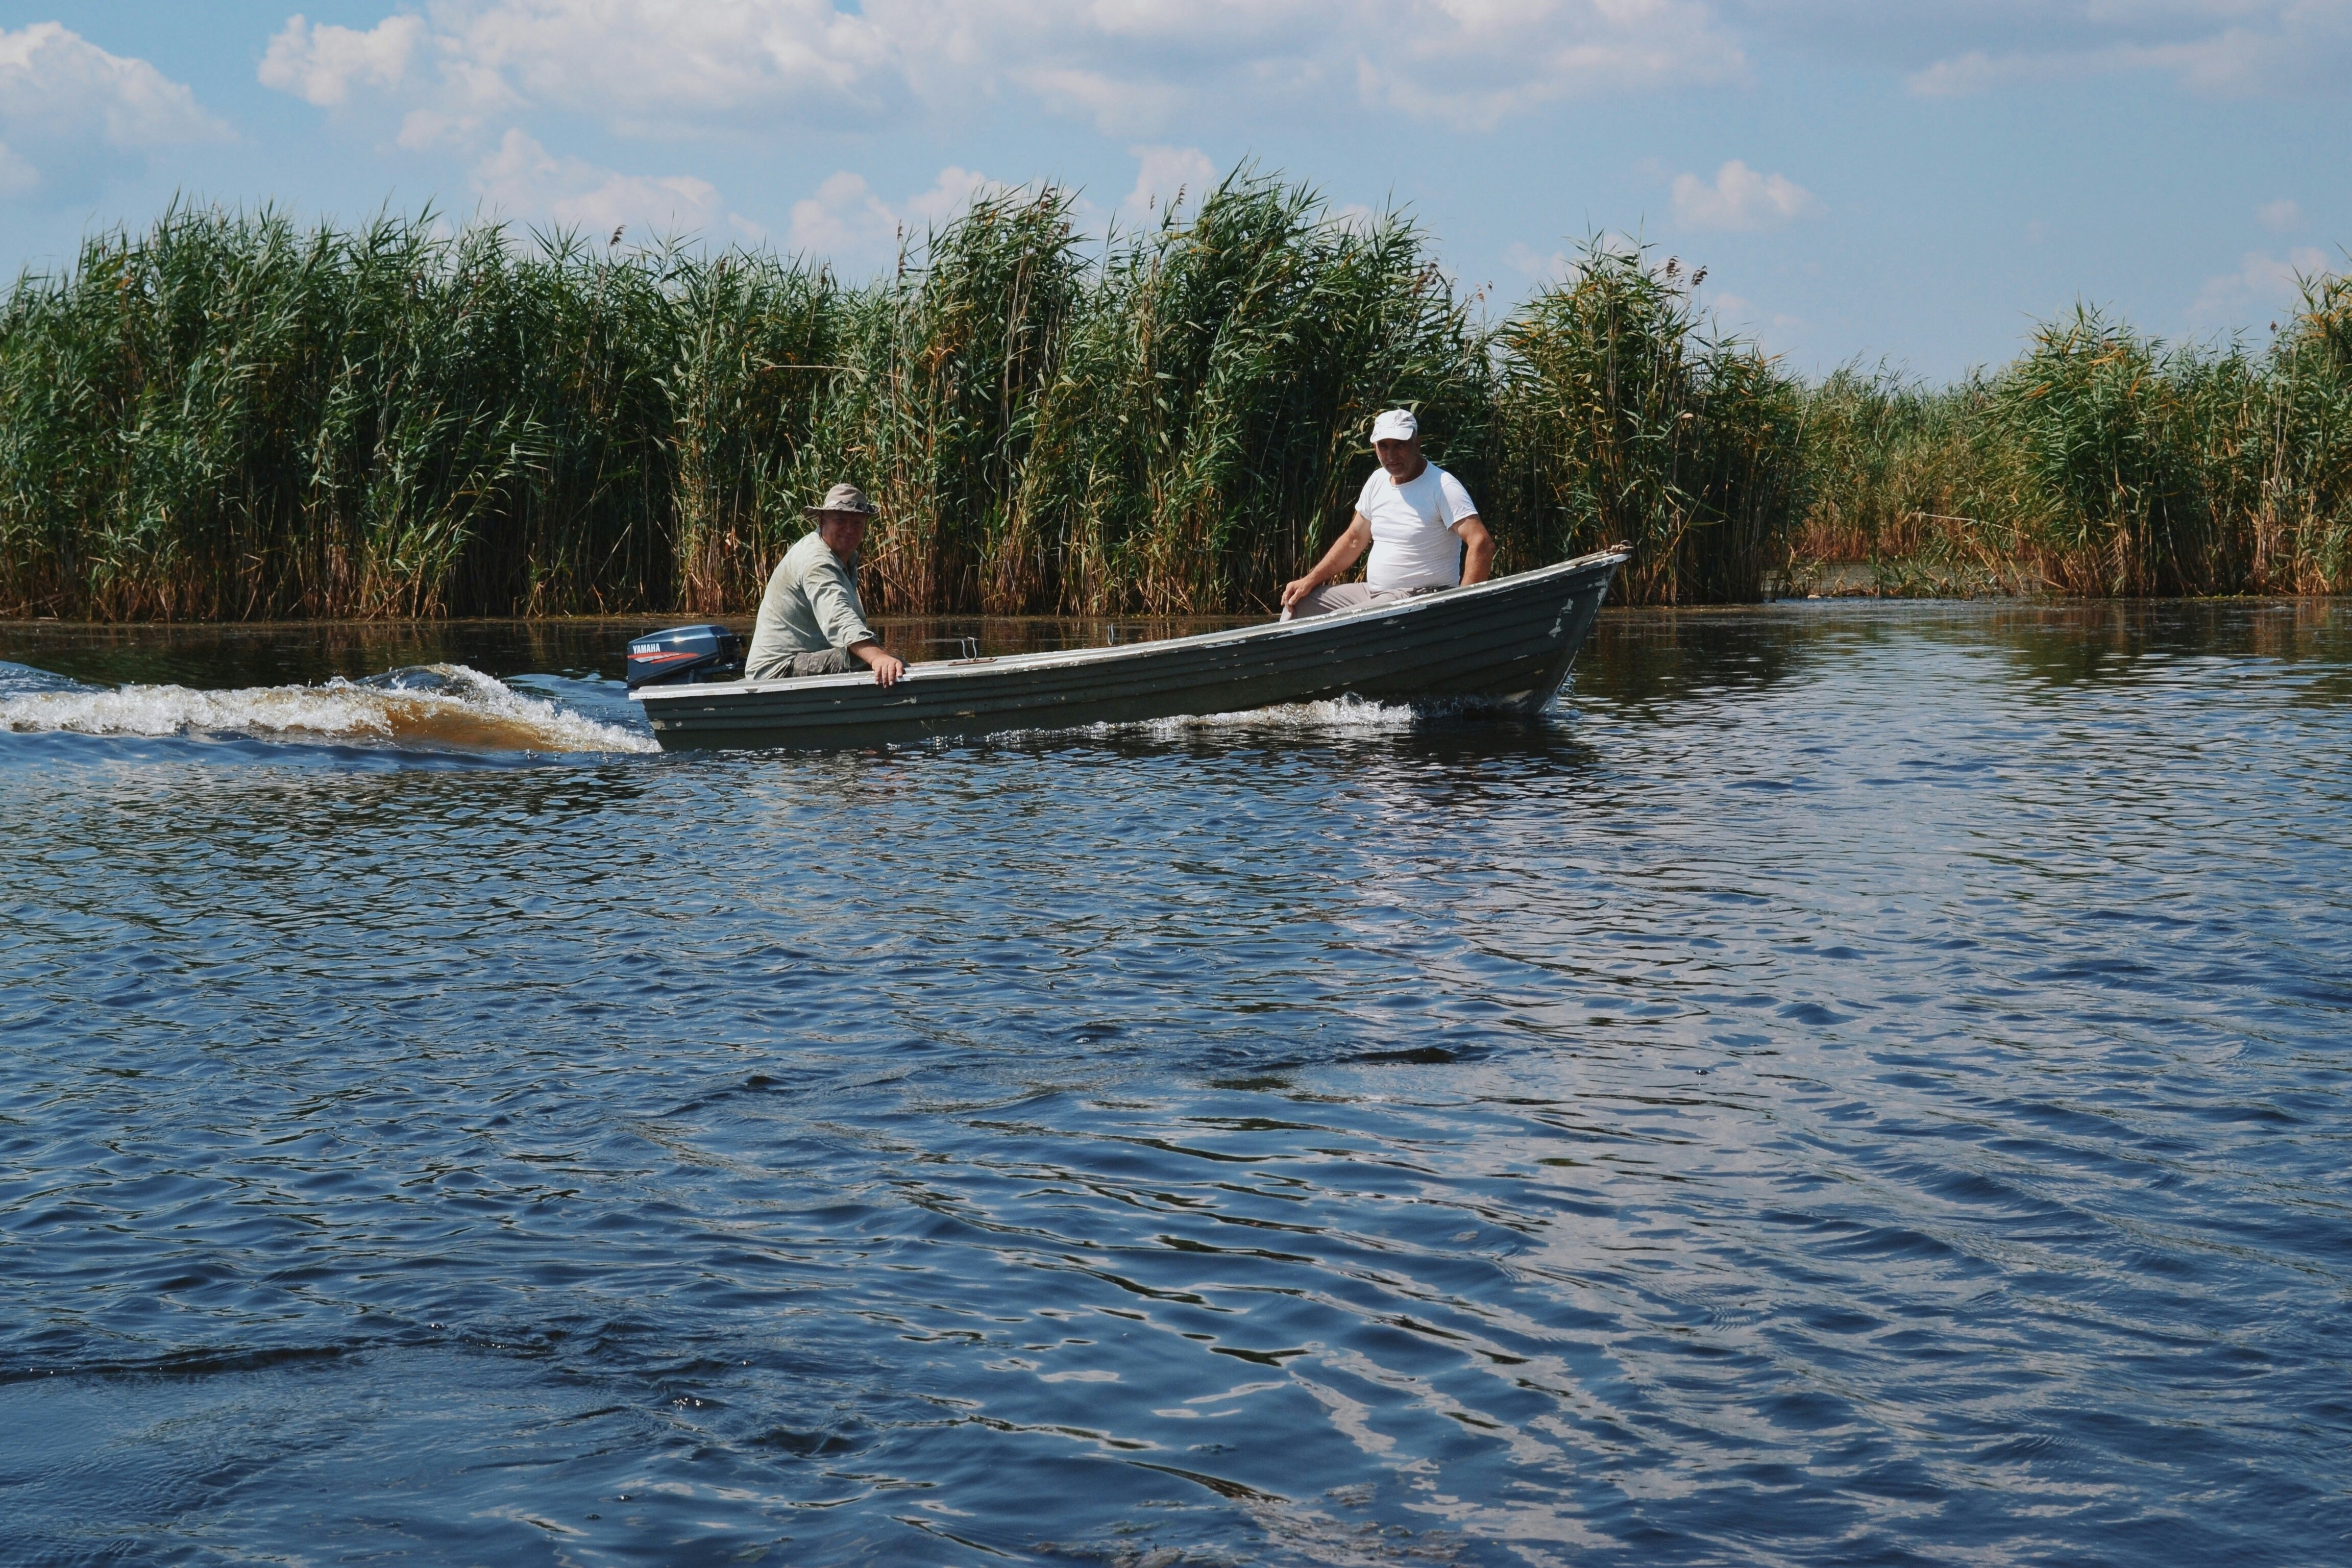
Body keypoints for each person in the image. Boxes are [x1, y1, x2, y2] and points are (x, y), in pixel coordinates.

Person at [1280, 408, 1493, 620]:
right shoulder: (1377, 480)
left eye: (1399, 445)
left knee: (1339, 623)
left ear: (1417, 444)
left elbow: (1481, 542)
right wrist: (1309, 580)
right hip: (1375, 592)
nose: (1391, 456)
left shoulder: (1443, 487)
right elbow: (1354, 540)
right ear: (1375, 448)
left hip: (1422, 596)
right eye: (1384, 446)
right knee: (1297, 604)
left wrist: (1462, 606)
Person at [744, 484, 907, 686]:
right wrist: (877, 657)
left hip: (803, 660)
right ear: (822, 521)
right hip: (777, 671)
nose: (849, 529)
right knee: (873, 663)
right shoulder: (816, 560)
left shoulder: (842, 557)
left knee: (887, 664)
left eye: (857, 523)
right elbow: (838, 617)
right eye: (841, 520)